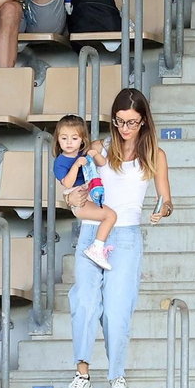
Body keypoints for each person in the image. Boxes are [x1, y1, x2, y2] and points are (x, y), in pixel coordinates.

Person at [63, 88, 172, 388]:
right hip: (92, 231)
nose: (125, 128)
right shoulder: (99, 148)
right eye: (120, 121)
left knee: (115, 310)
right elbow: (76, 189)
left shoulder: (155, 156)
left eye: (132, 122)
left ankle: (116, 374)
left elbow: (167, 199)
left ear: (144, 122)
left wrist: (162, 209)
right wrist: (71, 198)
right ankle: (82, 375)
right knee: (84, 302)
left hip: (125, 236)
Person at [52, 114, 118, 272]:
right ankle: (97, 248)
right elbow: (66, 183)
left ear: (82, 140)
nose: (69, 143)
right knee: (111, 216)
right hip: (79, 199)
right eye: (64, 138)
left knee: (110, 215)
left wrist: (95, 155)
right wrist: (76, 166)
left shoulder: (83, 154)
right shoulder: (60, 161)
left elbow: (102, 164)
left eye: (74, 138)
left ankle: (98, 246)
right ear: (58, 140)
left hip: (91, 192)